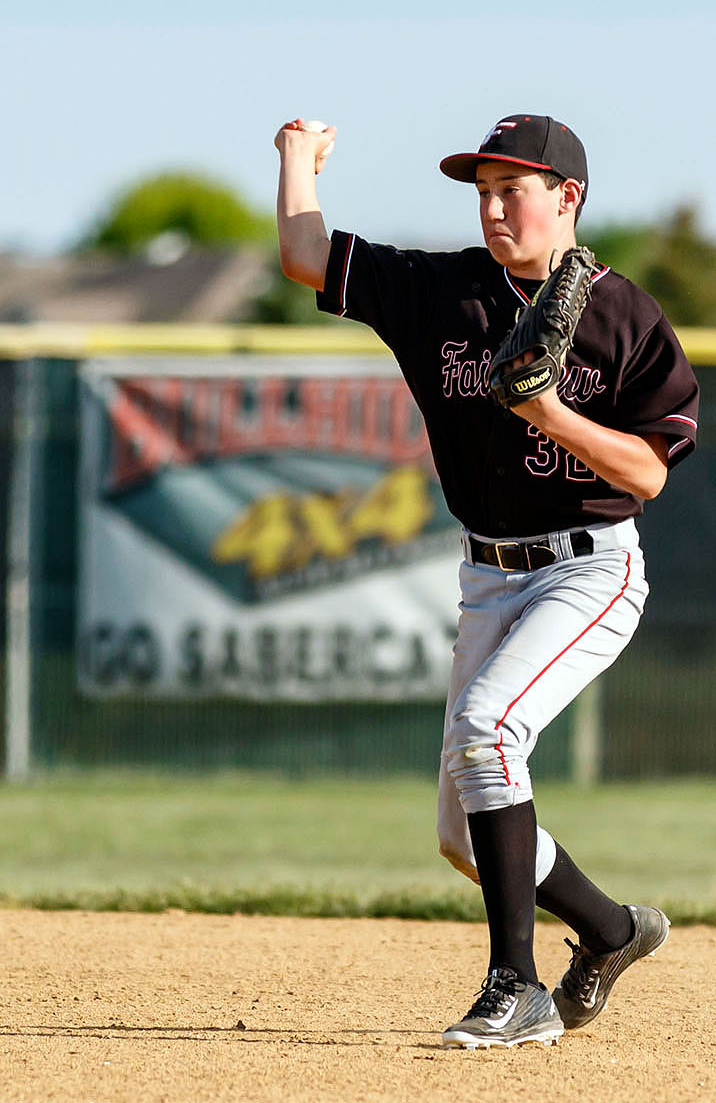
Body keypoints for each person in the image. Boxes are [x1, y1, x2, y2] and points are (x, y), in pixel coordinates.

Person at [273, 113, 699, 1049]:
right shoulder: (444, 291)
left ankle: (519, 987)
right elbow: (307, 255)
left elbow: (649, 474)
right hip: (489, 577)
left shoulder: (624, 314)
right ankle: (613, 930)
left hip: (589, 573)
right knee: (466, 835)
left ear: (568, 198)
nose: (494, 209)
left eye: (514, 190)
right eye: (482, 192)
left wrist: (547, 410)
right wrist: (297, 156)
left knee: (486, 731)